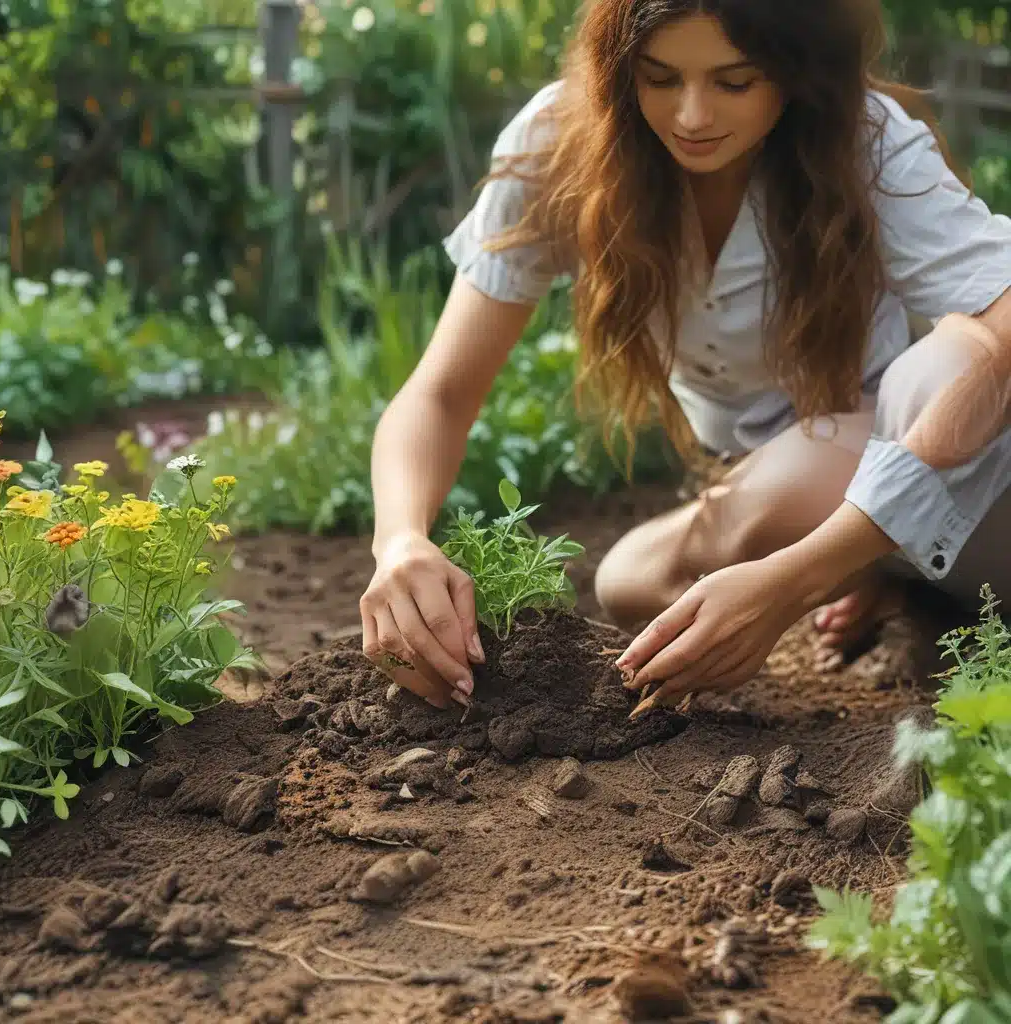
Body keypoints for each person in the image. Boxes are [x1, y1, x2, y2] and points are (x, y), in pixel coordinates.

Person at [359, 0, 1011, 714]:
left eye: (734, 83)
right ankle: (887, 575)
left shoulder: (863, 140)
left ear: (796, 72)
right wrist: (399, 543)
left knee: (949, 362)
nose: (692, 116)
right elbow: (442, 392)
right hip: (775, 480)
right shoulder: (566, 143)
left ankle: (868, 563)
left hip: (909, 454)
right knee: (627, 581)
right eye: (659, 78)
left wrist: (796, 579)